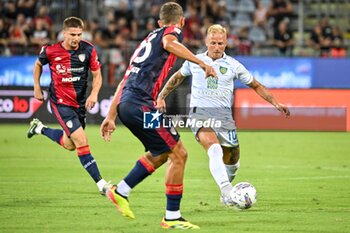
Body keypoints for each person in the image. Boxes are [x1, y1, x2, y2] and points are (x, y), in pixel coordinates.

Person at [100, 2, 215, 229]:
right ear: (181, 21)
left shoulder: (147, 42)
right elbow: (170, 43)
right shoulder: (171, 33)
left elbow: (125, 80)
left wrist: (111, 114)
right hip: (140, 105)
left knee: (163, 152)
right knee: (179, 153)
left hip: (130, 104)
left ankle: (121, 191)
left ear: (159, 22)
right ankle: (172, 216)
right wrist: (201, 62)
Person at [156, 24, 290, 206]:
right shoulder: (195, 61)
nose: (216, 47)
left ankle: (225, 192)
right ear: (206, 42)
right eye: (213, 43)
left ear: (226, 43)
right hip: (199, 113)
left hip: (224, 117)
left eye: (220, 43)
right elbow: (177, 77)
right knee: (214, 148)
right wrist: (161, 96)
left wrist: (276, 103)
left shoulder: (233, 65)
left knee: (233, 159)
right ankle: (227, 190)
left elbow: (256, 85)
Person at [27, 16, 110, 195]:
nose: (76, 38)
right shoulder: (51, 50)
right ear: (64, 33)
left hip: (79, 105)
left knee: (70, 144)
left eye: (79, 34)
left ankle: (39, 128)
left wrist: (94, 93)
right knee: (81, 141)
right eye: (72, 34)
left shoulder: (88, 49)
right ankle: (101, 184)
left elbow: (97, 75)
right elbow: (38, 65)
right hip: (60, 103)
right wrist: (36, 87)